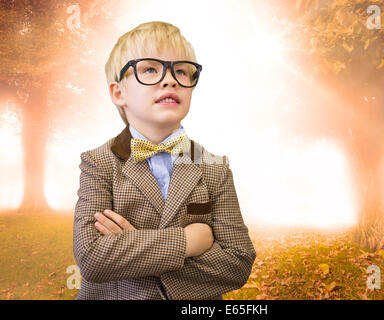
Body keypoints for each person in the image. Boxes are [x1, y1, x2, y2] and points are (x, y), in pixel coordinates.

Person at [73, 21, 256, 300]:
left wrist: (133, 250)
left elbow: (238, 262)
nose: (170, 79)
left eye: (181, 71)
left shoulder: (214, 167)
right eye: (150, 69)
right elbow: (93, 258)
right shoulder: (99, 163)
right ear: (118, 92)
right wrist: (187, 242)